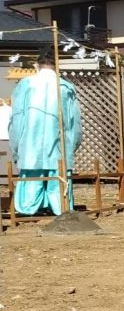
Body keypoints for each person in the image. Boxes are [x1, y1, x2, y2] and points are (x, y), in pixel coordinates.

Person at [8, 45, 82, 216]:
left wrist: (16, 145)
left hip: (30, 142)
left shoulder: (26, 84)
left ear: (37, 64)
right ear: (57, 64)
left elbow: (17, 118)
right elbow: (74, 122)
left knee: (32, 175)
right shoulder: (65, 87)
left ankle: (29, 207)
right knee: (58, 175)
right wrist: (74, 144)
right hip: (59, 143)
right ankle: (59, 206)